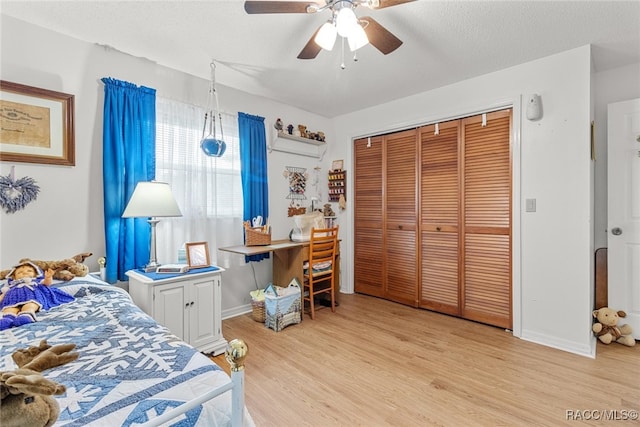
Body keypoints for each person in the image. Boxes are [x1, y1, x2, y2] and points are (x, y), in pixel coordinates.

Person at [0, 261, 75, 330]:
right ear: (14, 277)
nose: (24, 273)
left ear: (36, 274)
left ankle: (27, 314)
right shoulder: (11, 286)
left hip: (32, 297)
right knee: (9, 308)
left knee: (31, 304)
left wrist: (48, 277)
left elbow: (46, 284)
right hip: (12, 300)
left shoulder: (36, 282)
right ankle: (7, 318)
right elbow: (3, 295)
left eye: (29, 271)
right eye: (20, 272)